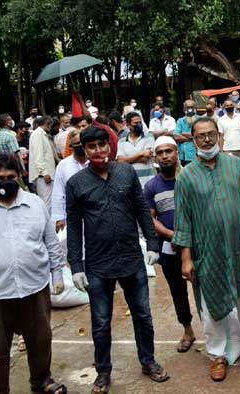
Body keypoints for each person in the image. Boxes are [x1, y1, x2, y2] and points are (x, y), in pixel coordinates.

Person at [66, 126, 168, 393]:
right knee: (100, 322)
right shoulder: (76, 184)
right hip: (98, 265)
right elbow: (74, 227)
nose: (99, 151)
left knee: (143, 315)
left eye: (102, 145)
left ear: (110, 146)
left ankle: (148, 362)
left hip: (132, 259)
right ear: (84, 151)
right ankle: (103, 372)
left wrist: (153, 243)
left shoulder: (126, 172)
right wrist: (76, 266)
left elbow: (142, 211)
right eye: (92, 147)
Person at [172, 118, 240, 382]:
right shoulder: (185, 176)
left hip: (238, 245)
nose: (207, 140)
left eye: (211, 135)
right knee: (211, 304)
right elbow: (182, 220)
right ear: (193, 141)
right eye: (201, 136)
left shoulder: (234, 166)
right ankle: (217, 355)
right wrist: (186, 258)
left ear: (219, 136)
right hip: (207, 250)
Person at [0, 153, 68, 394]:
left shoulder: (35, 204)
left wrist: (57, 273)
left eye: (11, 176)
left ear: (19, 177)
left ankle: (41, 381)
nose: (5, 181)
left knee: (40, 341)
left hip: (34, 288)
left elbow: (51, 242)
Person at [143, 136, 197, 354]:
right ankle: (188, 331)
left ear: (177, 153)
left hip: (197, 245)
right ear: (156, 157)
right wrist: (172, 235)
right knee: (178, 292)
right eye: (160, 153)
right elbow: (149, 219)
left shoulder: (192, 177)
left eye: (169, 151)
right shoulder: (151, 186)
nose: (165, 156)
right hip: (169, 249)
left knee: (205, 288)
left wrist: (188, 237)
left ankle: (217, 332)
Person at [51, 129, 86, 232]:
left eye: (82, 143)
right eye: (77, 143)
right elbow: (58, 192)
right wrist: (59, 217)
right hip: (73, 214)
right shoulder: (63, 165)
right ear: (71, 146)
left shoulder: (95, 163)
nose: (80, 146)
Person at [117, 112, 156, 188]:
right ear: (128, 125)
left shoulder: (149, 137)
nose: (139, 125)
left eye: (140, 122)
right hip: (129, 183)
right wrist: (141, 153)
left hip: (148, 182)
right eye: (136, 123)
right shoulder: (122, 141)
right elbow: (120, 161)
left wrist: (127, 159)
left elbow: (145, 158)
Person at [29, 116, 56, 212]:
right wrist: (44, 172)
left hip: (45, 174)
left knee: (49, 201)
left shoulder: (41, 134)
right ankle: (46, 225)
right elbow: (38, 155)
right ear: (47, 124)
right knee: (46, 202)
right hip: (42, 175)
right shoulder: (37, 134)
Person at [217, 98, 240, 170]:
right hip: (227, 150)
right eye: (227, 105)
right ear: (224, 107)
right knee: (229, 171)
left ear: (234, 106)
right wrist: (221, 150)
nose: (229, 106)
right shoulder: (221, 120)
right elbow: (221, 136)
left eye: (231, 105)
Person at [174, 99, 200, 166]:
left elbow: (201, 135)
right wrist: (194, 138)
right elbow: (176, 136)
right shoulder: (180, 121)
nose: (190, 109)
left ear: (195, 108)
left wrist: (184, 133)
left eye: (192, 107)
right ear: (184, 109)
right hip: (183, 156)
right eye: (188, 107)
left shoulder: (200, 119)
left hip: (197, 154)